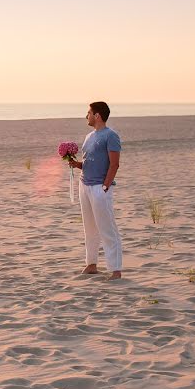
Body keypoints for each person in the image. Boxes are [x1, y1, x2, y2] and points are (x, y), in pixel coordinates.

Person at [68, 101, 123, 280]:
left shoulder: (111, 136)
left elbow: (114, 164)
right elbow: (89, 160)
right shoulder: (89, 136)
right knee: (89, 228)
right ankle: (91, 264)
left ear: (97, 115)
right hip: (84, 185)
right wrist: (77, 165)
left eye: (89, 113)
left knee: (107, 228)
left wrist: (105, 186)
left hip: (100, 187)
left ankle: (115, 270)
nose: (87, 116)